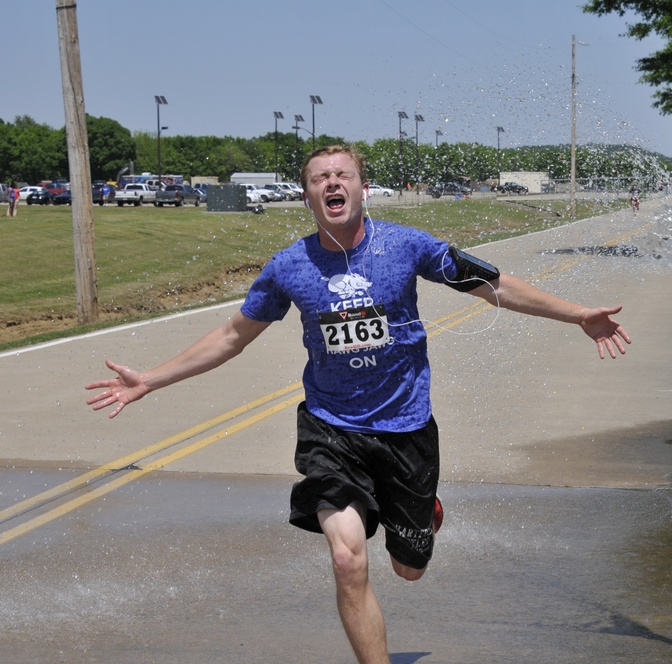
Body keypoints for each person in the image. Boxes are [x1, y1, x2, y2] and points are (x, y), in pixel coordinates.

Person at [85, 144, 631, 664]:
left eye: (342, 175)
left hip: (406, 429)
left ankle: (421, 514)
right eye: (320, 178)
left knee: (408, 568)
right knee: (348, 557)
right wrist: (150, 380)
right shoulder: (289, 267)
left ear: (364, 188)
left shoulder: (406, 246)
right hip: (331, 430)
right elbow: (233, 334)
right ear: (307, 197)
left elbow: (494, 285)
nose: (332, 183)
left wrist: (576, 313)